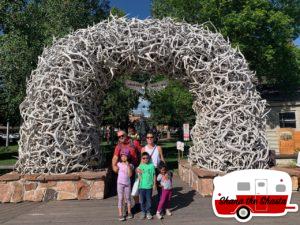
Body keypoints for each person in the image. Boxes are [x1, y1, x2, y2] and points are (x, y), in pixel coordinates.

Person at [112, 130, 141, 212]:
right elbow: (115, 157)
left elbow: (142, 151)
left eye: (122, 135)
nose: (121, 137)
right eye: (119, 136)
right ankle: (126, 205)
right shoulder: (119, 146)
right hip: (124, 169)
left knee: (134, 187)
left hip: (135, 167)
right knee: (125, 187)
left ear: (126, 135)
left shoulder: (134, 142)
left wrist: (142, 164)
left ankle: (137, 204)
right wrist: (114, 166)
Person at [141, 132, 165, 197]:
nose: (149, 139)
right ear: (146, 139)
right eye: (148, 137)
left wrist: (165, 170)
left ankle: (161, 205)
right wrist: (139, 170)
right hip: (148, 170)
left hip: (158, 169)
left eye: (151, 137)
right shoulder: (143, 149)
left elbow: (162, 159)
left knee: (160, 187)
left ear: (154, 138)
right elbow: (142, 161)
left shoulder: (158, 148)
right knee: (148, 188)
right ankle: (149, 205)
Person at [112, 150, 134, 221]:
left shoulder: (130, 165)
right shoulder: (119, 164)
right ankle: (120, 214)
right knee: (120, 198)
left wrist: (128, 166)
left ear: (128, 157)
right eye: (122, 156)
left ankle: (129, 212)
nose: (123, 157)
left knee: (128, 198)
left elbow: (130, 174)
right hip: (120, 184)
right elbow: (115, 167)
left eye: (125, 156)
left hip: (127, 184)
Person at [136, 152, 156, 220]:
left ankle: (148, 212)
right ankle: (143, 212)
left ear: (149, 158)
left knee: (149, 200)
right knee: (142, 200)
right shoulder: (141, 166)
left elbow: (154, 175)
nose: (145, 159)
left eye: (146, 158)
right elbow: (137, 171)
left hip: (149, 186)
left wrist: (154, 184)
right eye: (143, 158)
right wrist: (138, 172)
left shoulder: (151, 166)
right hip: (141, 186)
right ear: (142, 159)